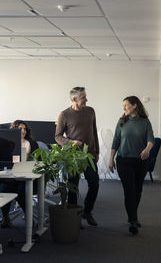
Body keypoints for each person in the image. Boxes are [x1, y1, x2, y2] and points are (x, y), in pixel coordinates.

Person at [109, 96, 155, 235]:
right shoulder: (122, 121)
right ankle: (133, 220)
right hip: (124, 161)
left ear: (135, 105)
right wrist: (111, 159)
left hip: (140, 161)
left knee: (137, 190)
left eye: (126, 105)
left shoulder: (145, 122)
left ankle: (133, 215)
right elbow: (116, 141)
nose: (124, 108)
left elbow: (151, 139)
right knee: (129, 190)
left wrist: (147, 150)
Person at [55, 86, 100, 226]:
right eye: (83, 97)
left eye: (85, 96)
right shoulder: (64, 114)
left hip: (89, 155)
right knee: (73, 187)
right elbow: (57, 136)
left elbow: (94, 131)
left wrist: (97, 151)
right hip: (73, 157)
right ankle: (75, 217)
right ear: (74, 99)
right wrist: (71, 142)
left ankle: (87, 212)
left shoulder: (91, 111)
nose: (86, 99)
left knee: (94, 183)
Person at [0, 120, 40, 227]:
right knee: (4, 189)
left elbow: (38, 161)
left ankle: (29, 216)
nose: (23, 131)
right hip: (10, 174)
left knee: (21, 190)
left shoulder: (31, 143)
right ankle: (5, 217)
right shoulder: (8, 144)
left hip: (27, 174)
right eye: (20, 129)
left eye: (25, 129)